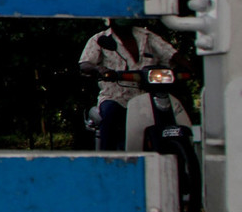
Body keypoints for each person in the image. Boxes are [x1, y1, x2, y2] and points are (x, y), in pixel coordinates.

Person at [79, 18, 187, 151]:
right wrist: (100, 69)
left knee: (172, 114)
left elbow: (170, 54)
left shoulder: (147, 37)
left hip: (148, 98)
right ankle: (106, 163)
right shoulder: (100, 39)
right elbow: (85, 64)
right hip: (116, 97)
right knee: (110, 115)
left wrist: (192, 69)